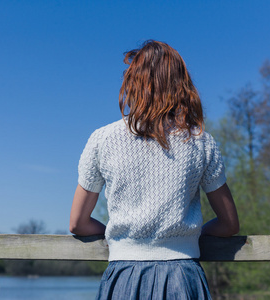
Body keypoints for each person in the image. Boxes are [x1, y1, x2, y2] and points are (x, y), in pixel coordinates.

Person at [70, 40, 239, 300]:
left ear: (133, 82)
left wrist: (122, 238)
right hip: (184, 275)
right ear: (180, 84)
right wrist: (187, 237)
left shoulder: (103, 139)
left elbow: (78, 223)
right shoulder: (200, 142)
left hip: (124, 276)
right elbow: (229, 224)